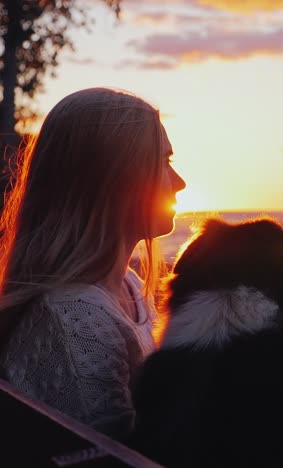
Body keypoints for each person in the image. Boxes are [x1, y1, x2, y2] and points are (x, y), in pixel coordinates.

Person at [0, 87, 186, 440]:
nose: (179, 183)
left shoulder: (127, 285)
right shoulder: (73, 318)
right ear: (113, 181)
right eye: (162, 163)